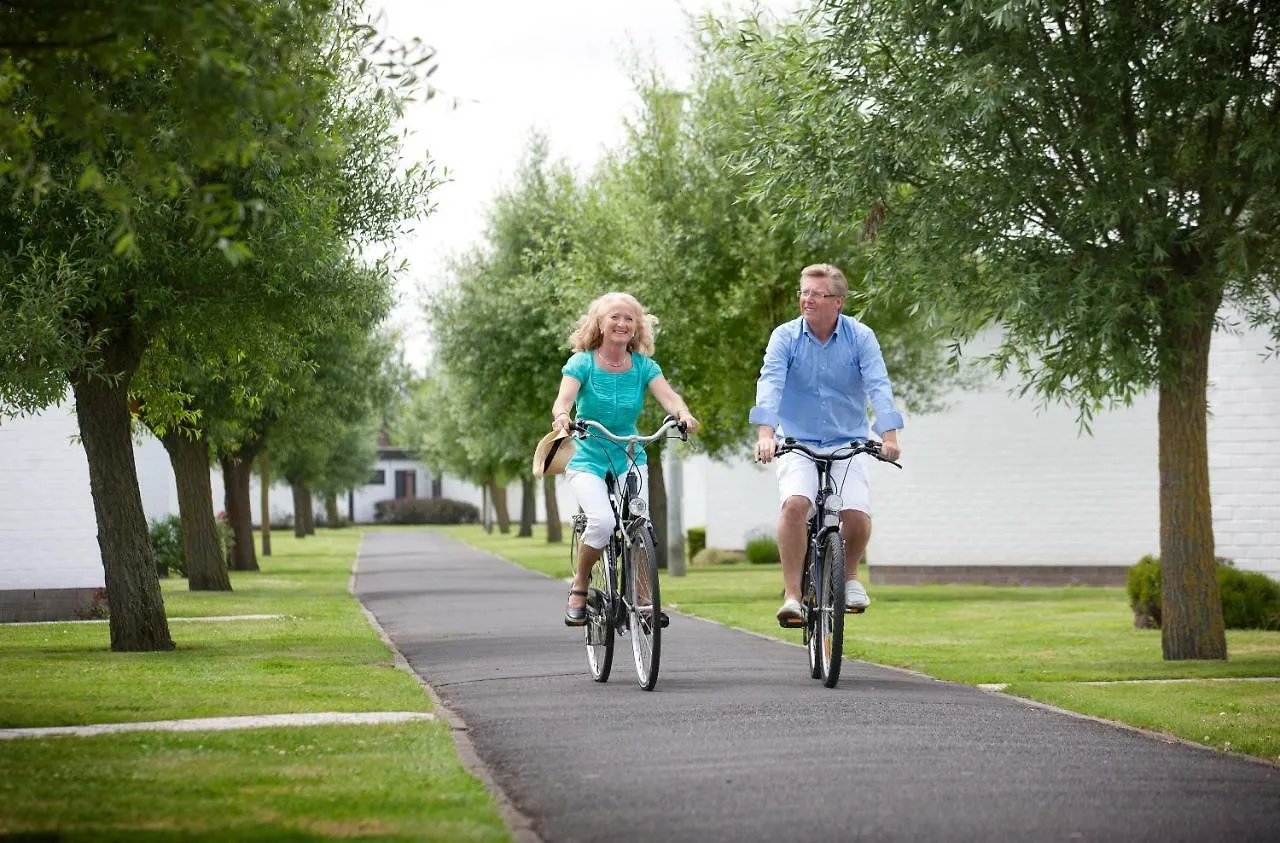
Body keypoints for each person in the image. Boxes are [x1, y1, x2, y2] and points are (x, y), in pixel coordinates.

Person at [749, 263, 903, 624]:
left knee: (856, 515)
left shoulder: (861, 336)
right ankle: (792, 595)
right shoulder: (784, 337)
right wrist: (766, 434)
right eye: (804, 292)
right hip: (796, 439)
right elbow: (770, 382)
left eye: (817, 294)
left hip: (847, 439)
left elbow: (878, 384)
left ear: (838, 302)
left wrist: (890, 435)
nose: (807, 299)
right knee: (795, 505)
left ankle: (849, 577)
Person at [550, 292, 699, 626]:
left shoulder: (644, 366)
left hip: (630, 455)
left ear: (637, 327)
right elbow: (563, 401)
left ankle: (644, 600)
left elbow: (669, 398)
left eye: (629, 318)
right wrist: (562, 417)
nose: (621, 323)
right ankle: (580, 584)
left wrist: (683, 414)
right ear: (600, 324)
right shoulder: (582, 363)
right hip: (588, 456)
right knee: (602, 522)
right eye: (614, 317)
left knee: (639, 524)